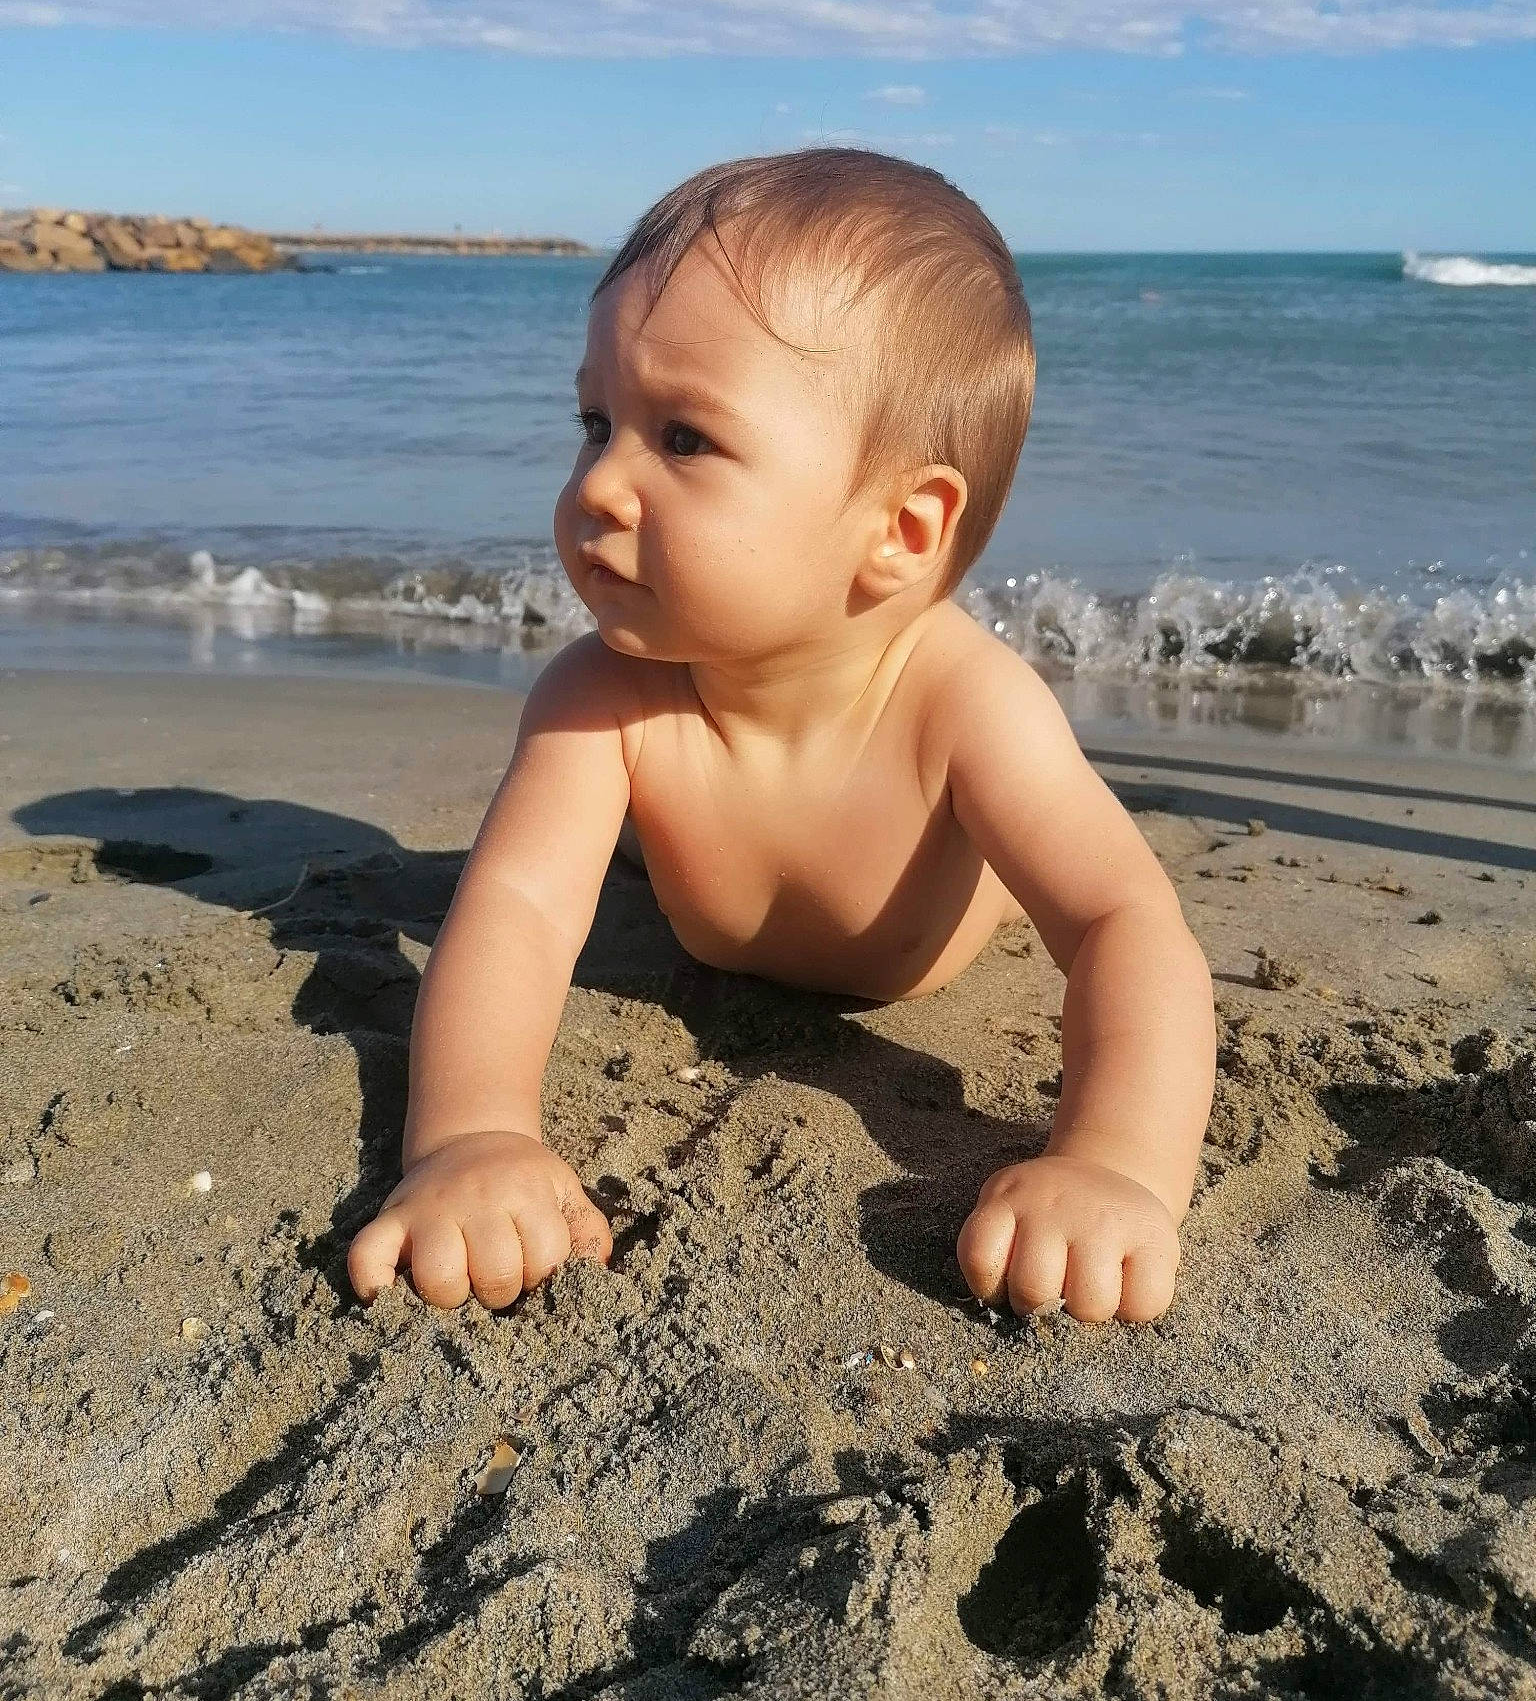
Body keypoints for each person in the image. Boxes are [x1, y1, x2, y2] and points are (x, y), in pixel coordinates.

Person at [347, 149, 1217, 1325]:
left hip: (932, 906)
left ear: (903, 528)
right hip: (718, 879)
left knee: (1061, 849)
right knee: (571, 855)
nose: (601, 483)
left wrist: (1117, 1163)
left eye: (685, 439)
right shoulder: (600, 695)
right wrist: (472, 1132)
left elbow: (1128, 924)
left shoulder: (966, 704)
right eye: (596, 421)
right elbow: (519, 910)